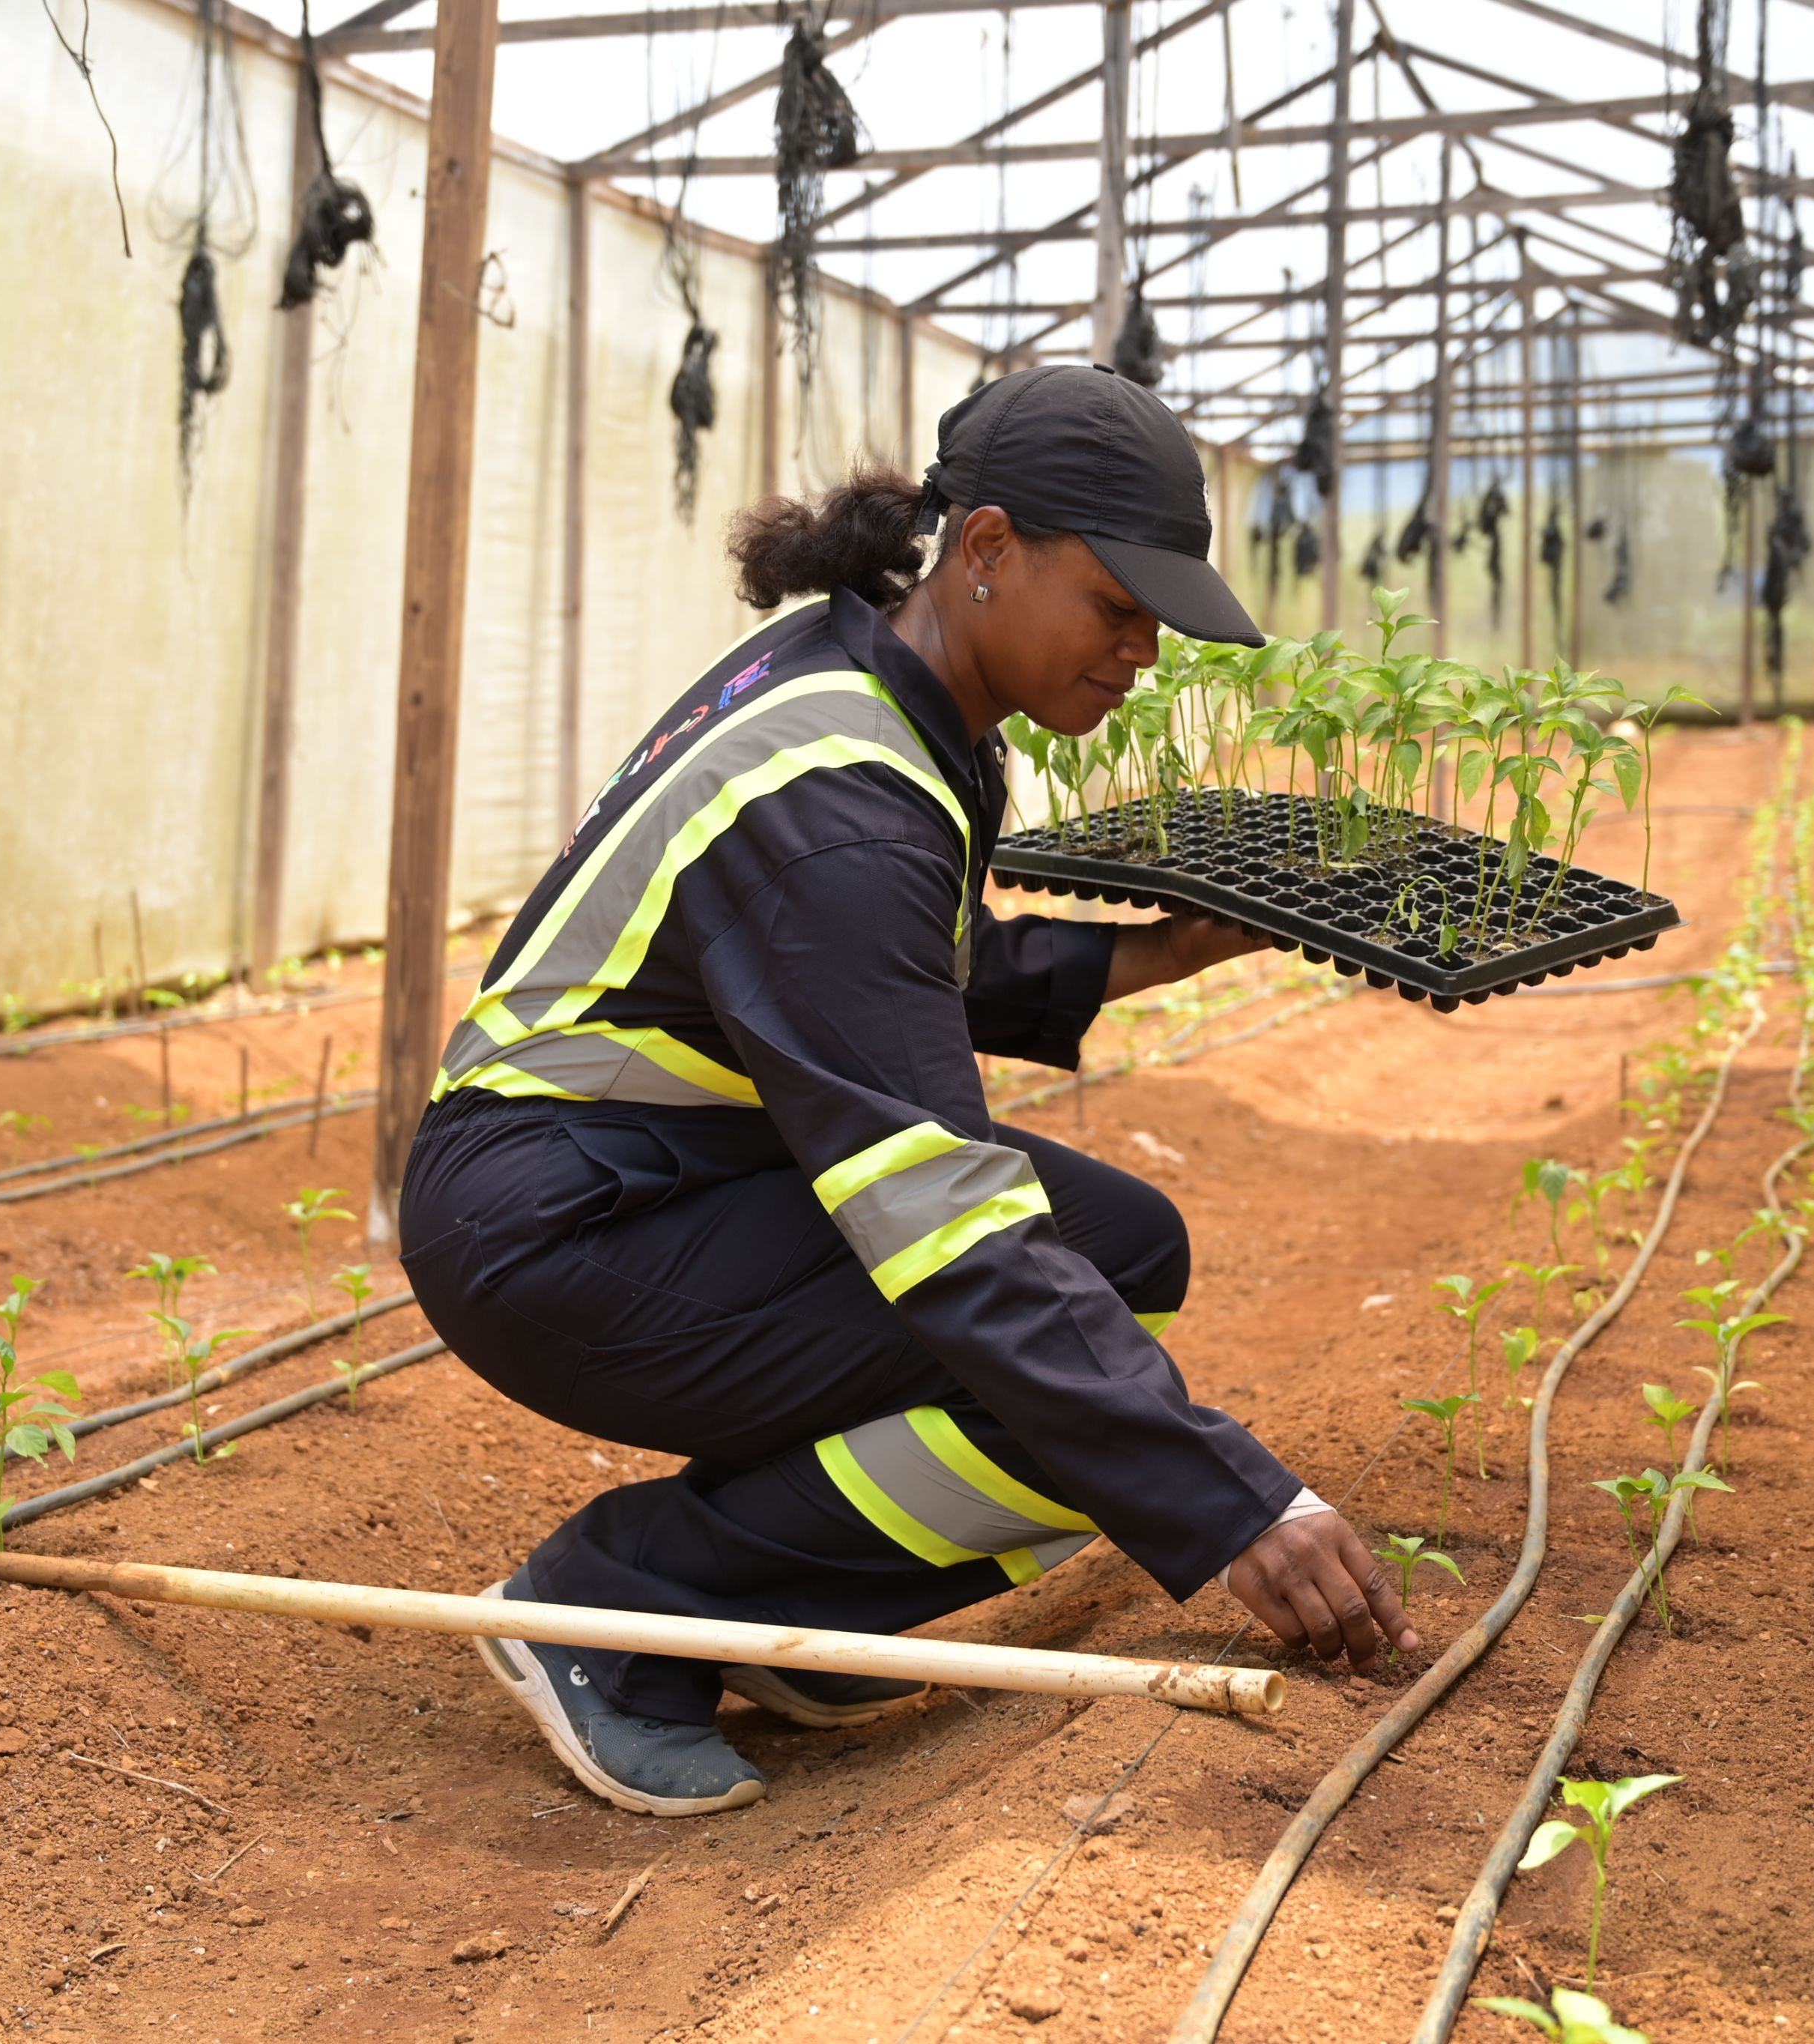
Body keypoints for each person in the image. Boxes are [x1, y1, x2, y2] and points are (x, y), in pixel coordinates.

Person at [400, 363, 1416, 1818]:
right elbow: (940, 1220)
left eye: (1155, 622)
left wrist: (1162, 950)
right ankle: (613, 1613)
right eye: (1116, 606)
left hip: (651, 1176)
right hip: (566, 1230)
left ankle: (795, 1606)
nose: (1139, 650)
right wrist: (1230, 1499)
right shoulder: (838, 798)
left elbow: (884, 967)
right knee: (1055, 1354)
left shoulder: (879, 682)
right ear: (988, 548)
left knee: (1120, 1258)